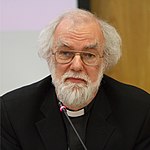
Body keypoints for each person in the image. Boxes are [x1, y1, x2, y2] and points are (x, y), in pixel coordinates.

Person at [1, 9, 150, 150]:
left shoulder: (139, 111)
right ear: (49, 56)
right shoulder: (13, 113)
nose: (77, 66)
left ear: (105, 61)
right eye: (65, 53)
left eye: (89, 55)